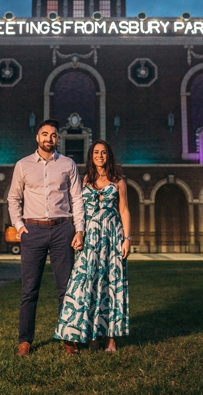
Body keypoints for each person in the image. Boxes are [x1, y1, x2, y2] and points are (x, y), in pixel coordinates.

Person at [7, 119, 85, 357]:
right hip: (33, 230)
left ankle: (68, 338)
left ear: (57, 138)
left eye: (53, 135)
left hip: (63, 230)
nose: (48, 139)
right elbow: (13, 198)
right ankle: (25, 341)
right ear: (37, 137)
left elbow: (77, 198)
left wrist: (79, 230)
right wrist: (19, 226)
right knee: (29, 290)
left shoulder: (68, 164)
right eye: (44, 134)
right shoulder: (23, 165)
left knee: (66, 289)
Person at [54, 140, 130, 352]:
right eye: (96, 152)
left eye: (103, 152)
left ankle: (111, 339)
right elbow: (78, 208)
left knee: (111, 284)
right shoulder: (85, 179)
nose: (100, 156)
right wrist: (78, 233)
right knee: (87, 283)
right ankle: (92, 334)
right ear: (91, 156)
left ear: (109, 155)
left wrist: (127, 238)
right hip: (90, 239)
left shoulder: (118, 181)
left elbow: (124, 210)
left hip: (112, 237)